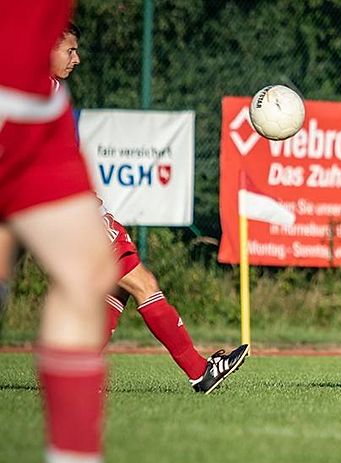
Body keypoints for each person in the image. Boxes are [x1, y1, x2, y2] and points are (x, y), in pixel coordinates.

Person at [1, 3, 183, 463]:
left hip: (32, 102)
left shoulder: (51, 82)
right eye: (72, 48)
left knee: (87, 271)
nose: (77, 56)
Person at [58, 22, 249, 394]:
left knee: (120, 288)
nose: (77, 59)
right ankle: (201, 372)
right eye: (70, 50)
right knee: (143, 284)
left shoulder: (44, 93)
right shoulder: (35, 95)